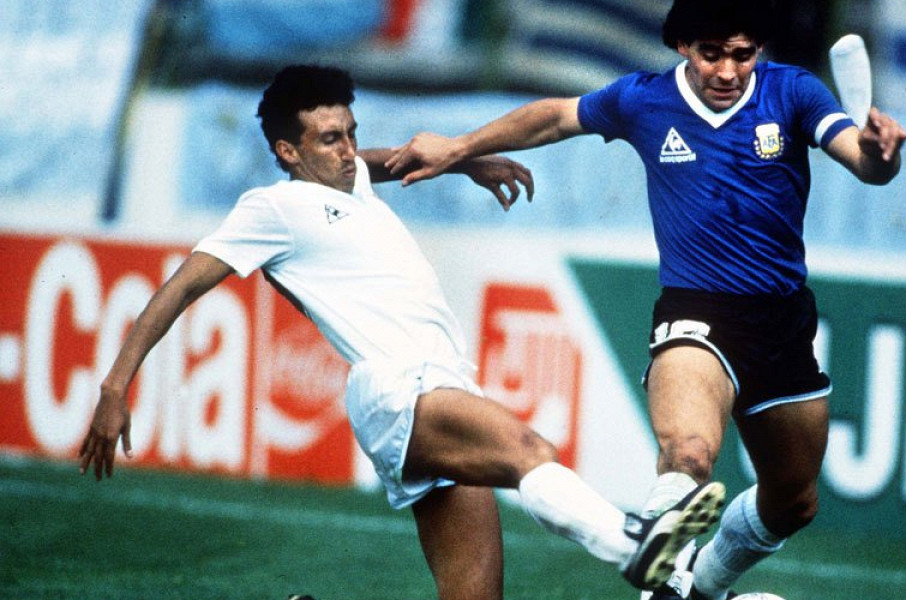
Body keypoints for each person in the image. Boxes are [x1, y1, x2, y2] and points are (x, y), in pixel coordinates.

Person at [76, 64, 725, 600]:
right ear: (287, 152)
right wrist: (114, 386)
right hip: (397, 388)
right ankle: (640, 552)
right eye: (329, 139)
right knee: (528, 449)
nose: (347, 149)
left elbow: (386, 161)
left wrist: (467, 162)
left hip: (441, 383)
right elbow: (181, 287)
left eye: (350, 133)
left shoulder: (351, 178)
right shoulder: (271, 208)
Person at [383, 0, 906, 598]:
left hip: (783, 323)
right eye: (711, 54)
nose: (728, 71)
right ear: (683, 46)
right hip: (696, 314)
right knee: (687, 453)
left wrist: (880, 154)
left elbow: (863, 161)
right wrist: (457, 148)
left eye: (742, 55)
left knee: (793, 501)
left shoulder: (792, 93)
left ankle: (698, 586)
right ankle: (655, 547)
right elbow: (554, 117)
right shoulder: (644, 99)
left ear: (759, 50)